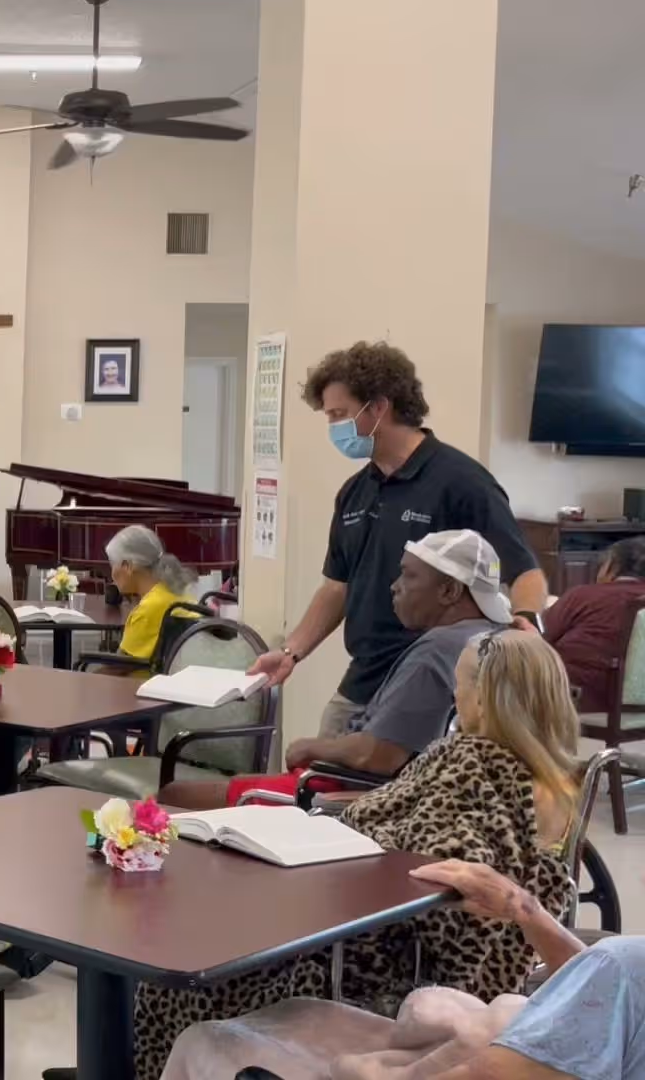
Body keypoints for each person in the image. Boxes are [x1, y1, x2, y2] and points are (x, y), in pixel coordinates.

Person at [133, 628, 581, 1080]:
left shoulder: (472, 762)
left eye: (460, 684)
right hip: (453, 977)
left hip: (371, 961)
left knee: (183, 976)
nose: (454, 694)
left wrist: (332, 833)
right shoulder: (556, 784)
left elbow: (434, 868)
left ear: (483, 700)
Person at [247, 342, 544, 737]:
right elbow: (337, 587)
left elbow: (525, 573)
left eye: (339, 414)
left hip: (432, 684)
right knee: (318, 774)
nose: (333, 427)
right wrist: (290, 652)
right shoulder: (355, 491)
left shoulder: (461, 483)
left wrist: (523, 627)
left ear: (378, 408)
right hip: (364, 678)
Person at [164, 857, 643, 1080]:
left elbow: (489, 1076)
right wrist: (526, 912)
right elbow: (603, 996)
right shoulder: (619, 968)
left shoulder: (621, 964)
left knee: (208, 1041)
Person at [160, 530, 511, 811]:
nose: (395, 585)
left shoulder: (436, 653)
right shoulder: (493, 637)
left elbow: (377, 756)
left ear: (449, 590)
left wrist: (313, 747)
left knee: (173, 796)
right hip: (393, 791)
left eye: (407, 575)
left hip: (346, 792)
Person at [543, 535, 645, 714]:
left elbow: (541, 635)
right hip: (635, 702)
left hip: (577, 696)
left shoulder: (584, 595)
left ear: (613, 567)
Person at [104, 525, 198, 669]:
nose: (111, 574)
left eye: (112, 565)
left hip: (134, 687)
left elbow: (118, 668)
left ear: (127, 566)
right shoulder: (182, 595)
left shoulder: (147, 610)